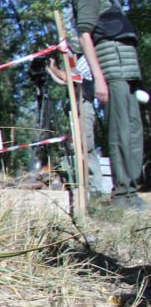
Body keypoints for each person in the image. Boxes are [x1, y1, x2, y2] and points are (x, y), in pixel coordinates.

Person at [73, 0, 144, 210]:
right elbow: (84, 35)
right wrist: (99, 77)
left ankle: (131, 191)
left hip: (126, 72)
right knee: (120, 131)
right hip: (111, 71)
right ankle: (122, 195)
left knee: (134, 130)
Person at [46, 47, 105, 196]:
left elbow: (72, 77)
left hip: (84, 103)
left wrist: (54, 68)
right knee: (79, 146)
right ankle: (86, 185)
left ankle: (95, 188)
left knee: (87, 145)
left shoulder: (86, 59)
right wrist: (50, 69)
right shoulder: (78, 62)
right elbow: (63, 81)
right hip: (77, 105)